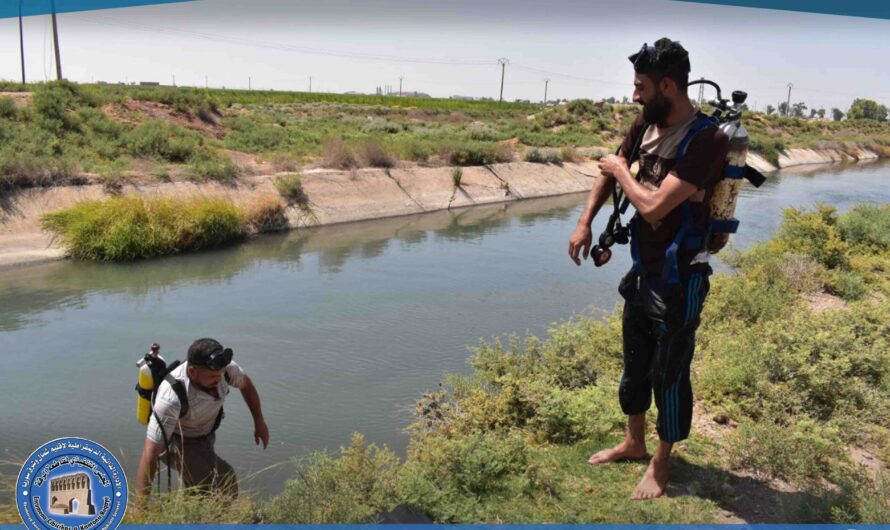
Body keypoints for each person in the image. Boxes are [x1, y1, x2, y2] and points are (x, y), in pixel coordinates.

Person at [568, 38, 729, 500]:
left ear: (668, 86)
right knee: (636, 362)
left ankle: (661, 463)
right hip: (644, 268)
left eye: (641, 86)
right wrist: (584, 222)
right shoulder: (645, 124)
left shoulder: (708, 140)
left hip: (683, 276)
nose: (634, 95)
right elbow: (609, 171)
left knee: (669, 372)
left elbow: (655, 205)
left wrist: (622, 170)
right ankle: (634, 442)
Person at [135, 338, 270, 503]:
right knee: (224, 480)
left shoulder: (225, 370)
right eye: (213, 376)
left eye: (220, 374)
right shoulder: (171, 398)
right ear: (192, 372)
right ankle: (217, 516)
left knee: (200, 489)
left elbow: (246, 385)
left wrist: (259, 421)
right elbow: (150, 453)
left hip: (204, 435)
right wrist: (140, 507)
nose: (219, 380)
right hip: (176, 442)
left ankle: (191, 512)